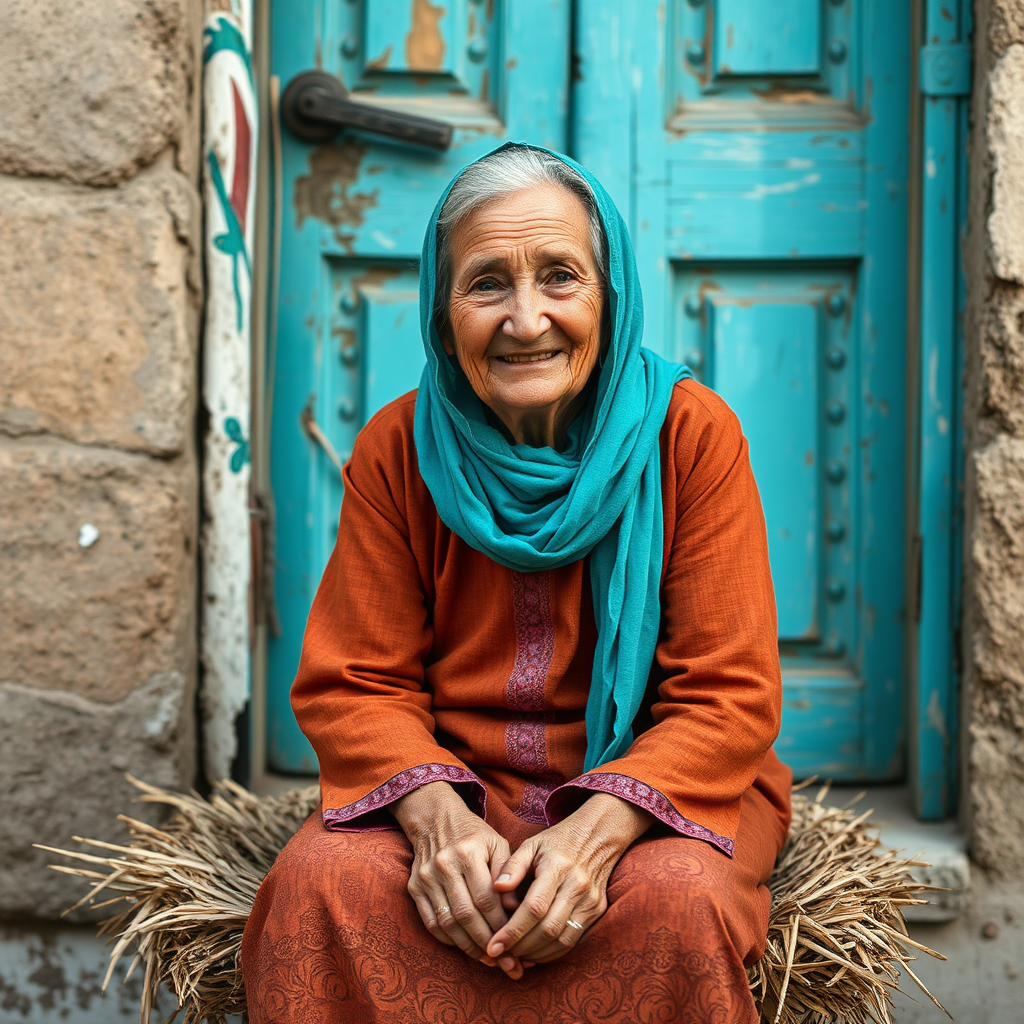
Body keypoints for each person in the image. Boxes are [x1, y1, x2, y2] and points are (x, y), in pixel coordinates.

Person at [241, 143, 792, 1024]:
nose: (527, 319)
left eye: (561, 277)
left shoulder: (691, 435)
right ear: (440, 305)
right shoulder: (399, 448)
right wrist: (434, 816)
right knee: (321, 885)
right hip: (449, 781)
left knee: (677, 901)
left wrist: (598, 830)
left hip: (664, 795)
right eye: (487, 283)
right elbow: (356, 682)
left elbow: (727, 699)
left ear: (608, 298)